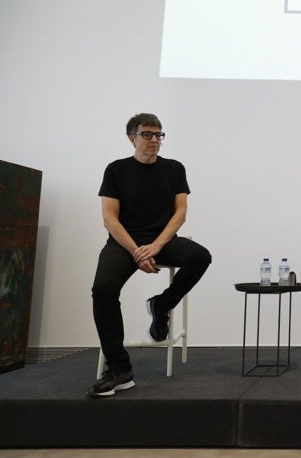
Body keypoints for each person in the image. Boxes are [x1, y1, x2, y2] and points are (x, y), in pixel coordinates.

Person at [88, 113, 212, 398]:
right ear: (132, 138)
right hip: (123, 242)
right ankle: (120, 369)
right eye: (147, 134)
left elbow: (180, 213)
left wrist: (156, 246)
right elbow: (110, 219)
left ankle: (161, 304)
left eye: (158, 135)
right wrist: (136, 251)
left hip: (161, 240)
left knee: (200, 257)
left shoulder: (174, 169)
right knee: (103, 290)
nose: (154, 140)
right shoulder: (116, 170)